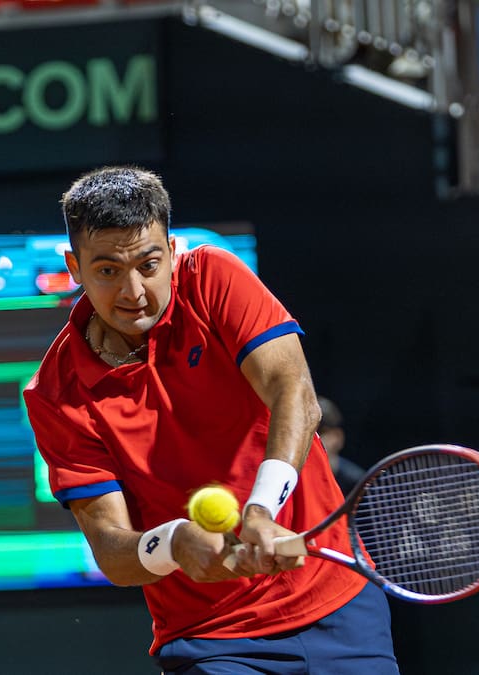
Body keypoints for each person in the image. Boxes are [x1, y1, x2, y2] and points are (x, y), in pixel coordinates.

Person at [23, 166, 398, 673]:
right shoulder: (55, 394)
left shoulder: (213, 277)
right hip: (211, 641)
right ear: (74, 266)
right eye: (108, 270)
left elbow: (294, 394)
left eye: (148, 264)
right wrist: (174, 543)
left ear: (171, 250)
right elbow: (112, 551)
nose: (134, 291)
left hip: (339, 605)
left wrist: (261, 510)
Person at [317, 396, 366, 495]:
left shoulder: (358, 484)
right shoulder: (293, 477)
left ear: (338, 437)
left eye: (320, 433)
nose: (312, 441)